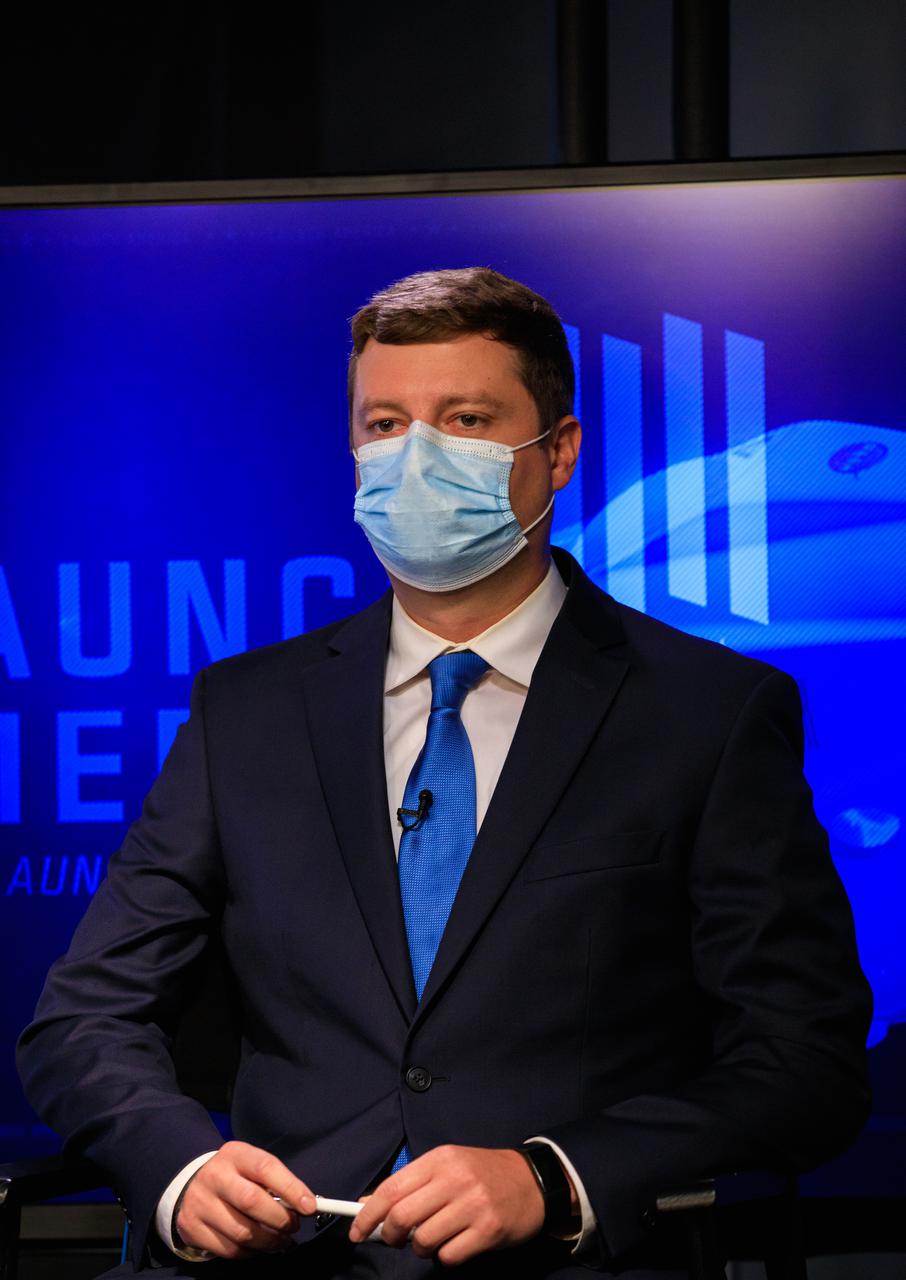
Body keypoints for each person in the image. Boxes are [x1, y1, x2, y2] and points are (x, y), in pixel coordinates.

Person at [18, 267, 871, 1279]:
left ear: (559, 451)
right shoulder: (244, 712)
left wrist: (558, 1177)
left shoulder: (707, 714)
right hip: (280, 1259)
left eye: (465, 420)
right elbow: (85, 1017)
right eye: (385, 424)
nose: (415, 457)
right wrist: (180, 1171)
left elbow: (804, 1060)